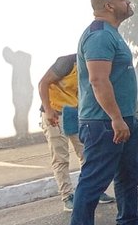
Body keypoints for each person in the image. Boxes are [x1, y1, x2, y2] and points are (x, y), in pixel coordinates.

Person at [66, 0, 138, 225]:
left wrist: (125, 118)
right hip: (104, 122)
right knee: (94, 180)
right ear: (108, 6)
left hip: (122, 119)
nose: (127, 2)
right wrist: (116, 119)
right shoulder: (98, 36)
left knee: (130, 173)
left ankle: (129, 224)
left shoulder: (111, 34)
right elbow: (98, 80)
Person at [38, 55, 115, 211]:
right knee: (61, 158)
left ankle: (93, 191)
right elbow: (43, 83)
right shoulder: (66, 63)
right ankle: (67, 197)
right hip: (54, 113)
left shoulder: (95, 67)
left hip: (73, 113)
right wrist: (48, 110)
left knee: (87, 153)